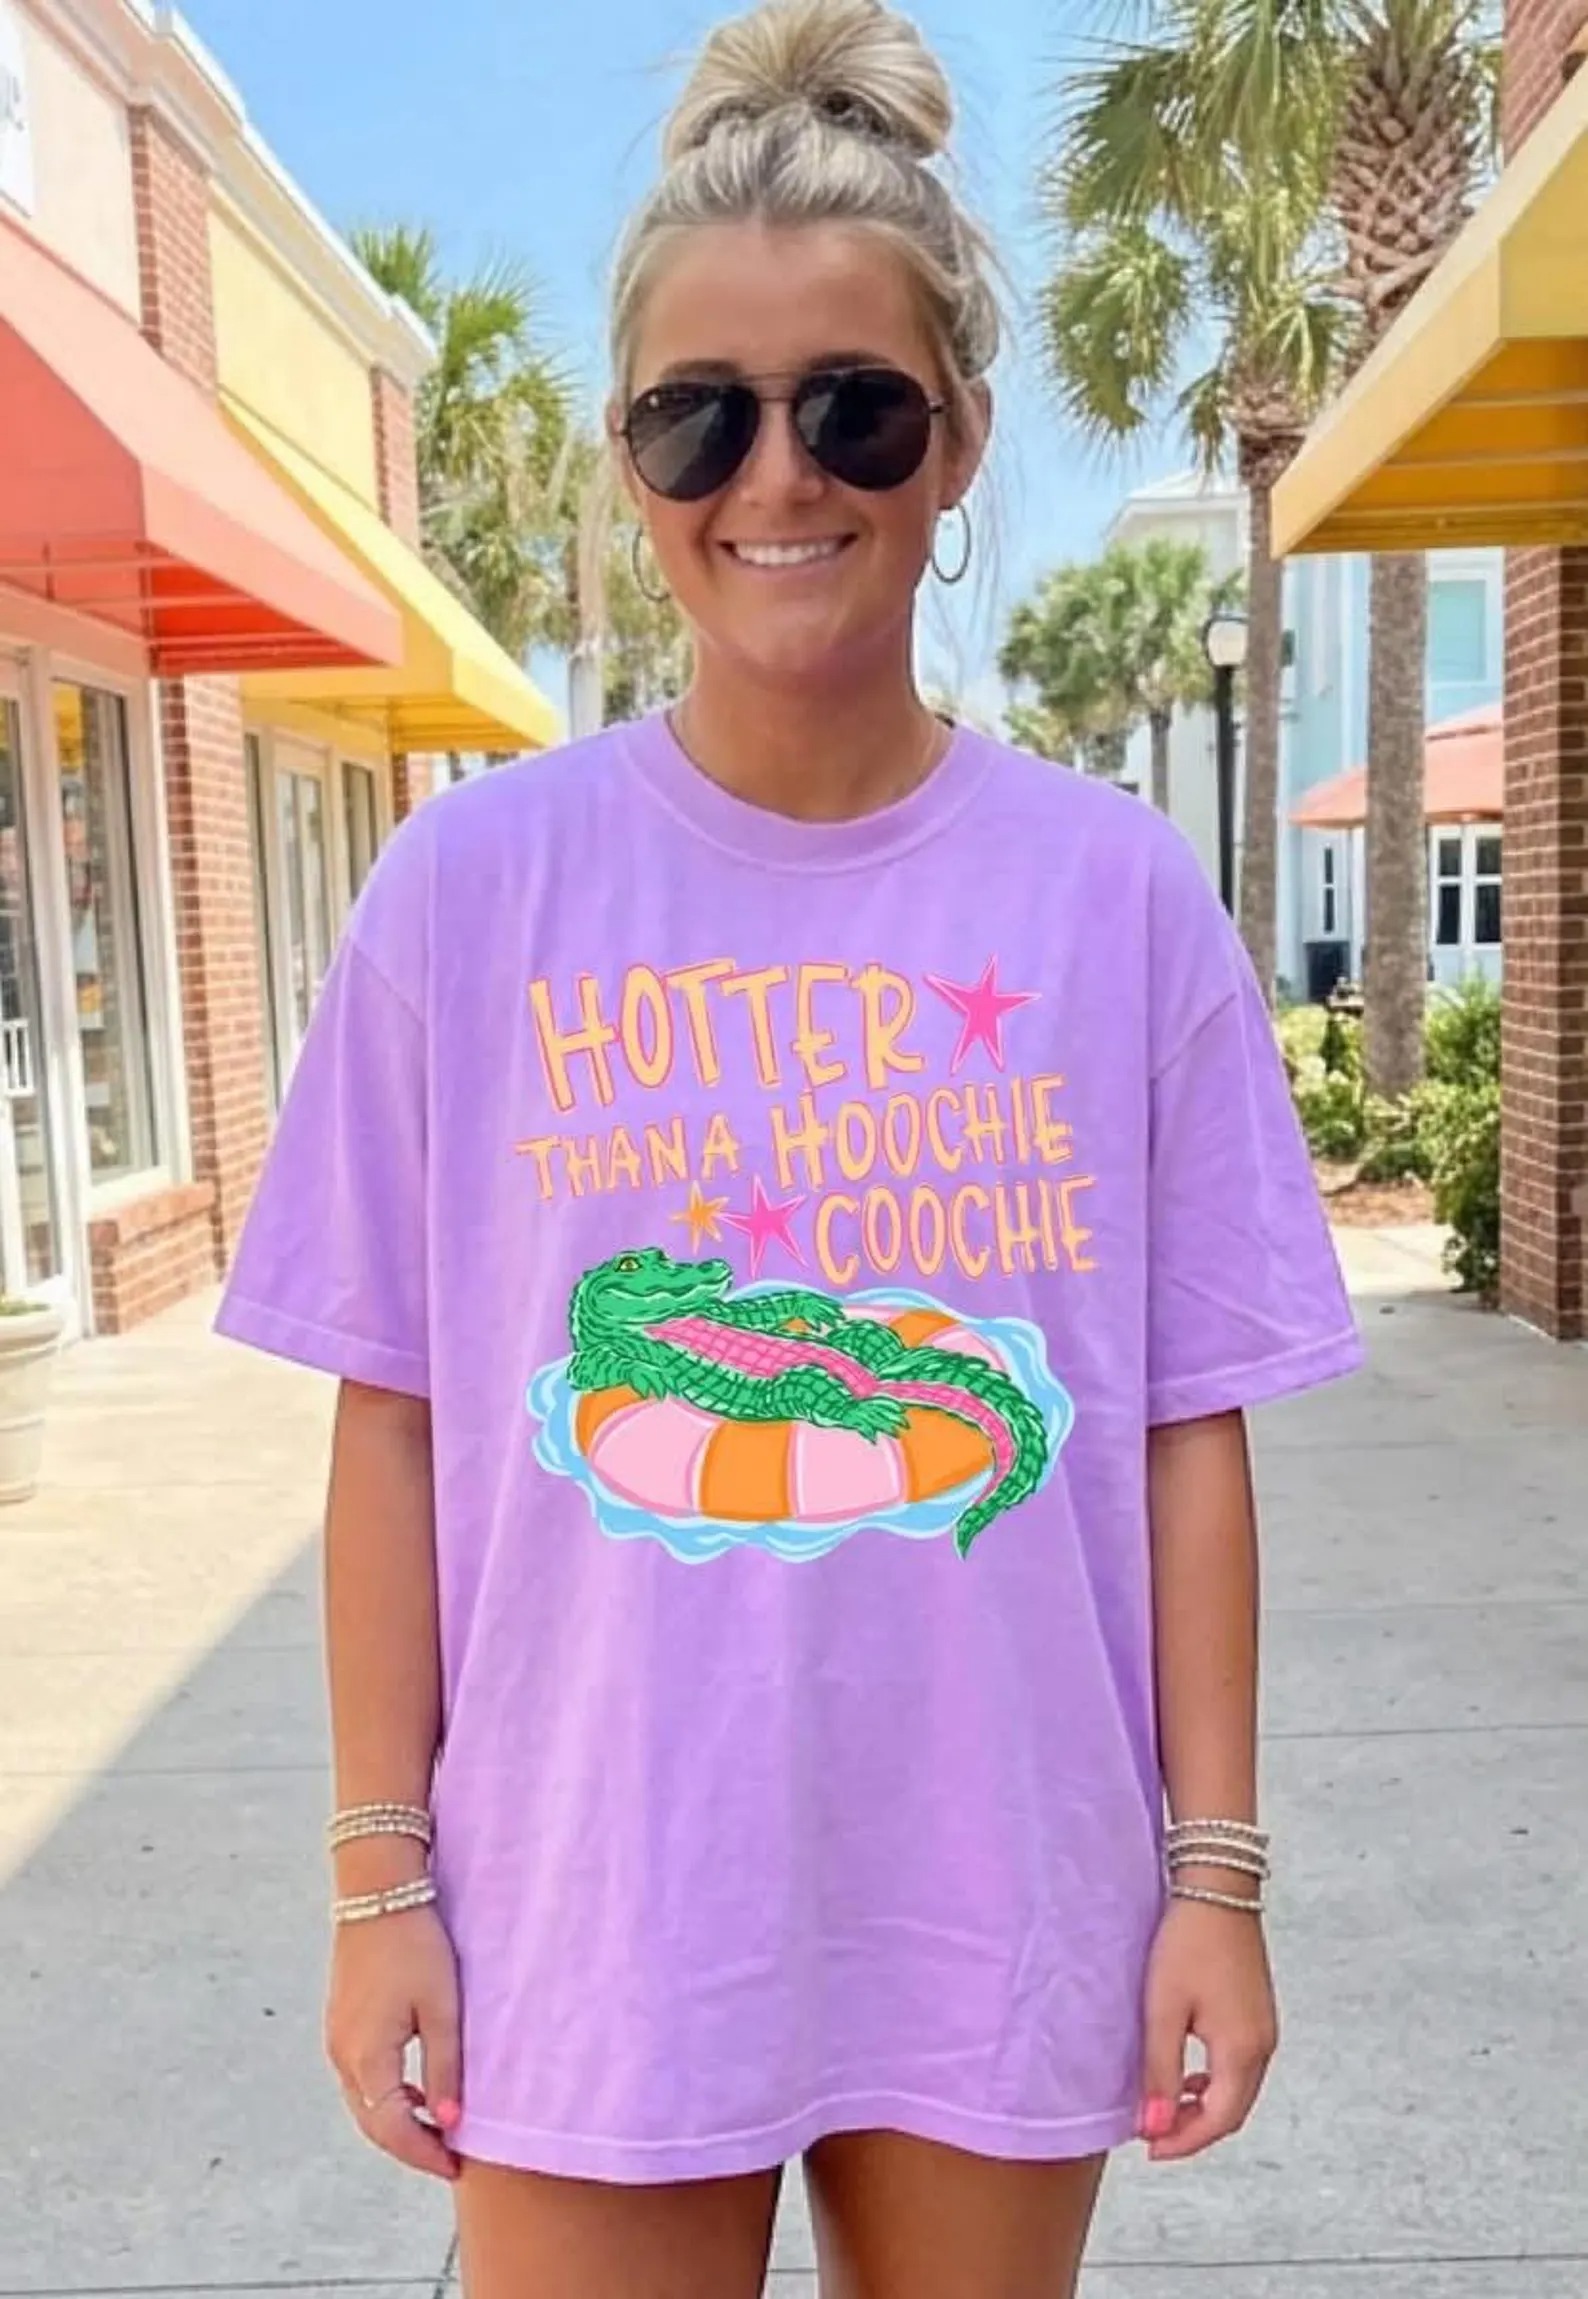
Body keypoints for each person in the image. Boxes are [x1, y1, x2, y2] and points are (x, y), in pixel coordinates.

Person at [215, 2, 1364, 2291]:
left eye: (853, 408)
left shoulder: (1111, 895)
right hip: (589, 1893)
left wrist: (1212, 1873)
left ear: (952, 446)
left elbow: (1182, 1425)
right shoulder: (469, 892)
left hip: (998, 1887)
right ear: (627, 453)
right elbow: (395, 1414)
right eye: (697, 414)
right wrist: (375, 1879)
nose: (775, 478)